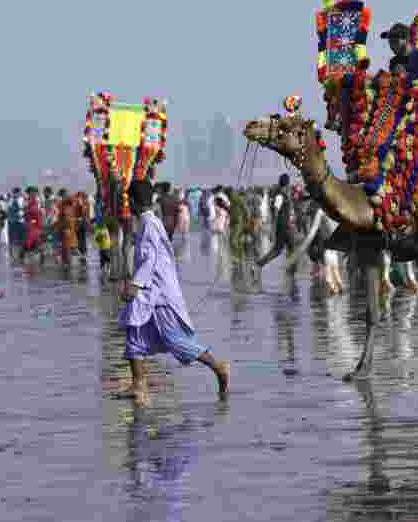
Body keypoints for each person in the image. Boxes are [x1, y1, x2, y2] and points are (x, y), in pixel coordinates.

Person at [118, 180, 230, 407]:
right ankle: (138, 384)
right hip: (149, 292)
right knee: (134, 334)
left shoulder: (149, 224)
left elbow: (150, 259)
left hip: (159, 295)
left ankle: (219, 367)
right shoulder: (148, 222)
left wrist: (135, 284)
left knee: (175, 340)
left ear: (135, 201)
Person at [256, 174, 298, 273]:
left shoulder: (283, 194)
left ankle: (291, 268)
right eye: (288, 183)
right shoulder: (280, 195)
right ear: (287, 183)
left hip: (285, 225)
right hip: (283, 226)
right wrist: (273, 228)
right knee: (278, 249)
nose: (289, 185)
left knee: (290, 247)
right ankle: (259, 264)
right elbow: (276, 211)